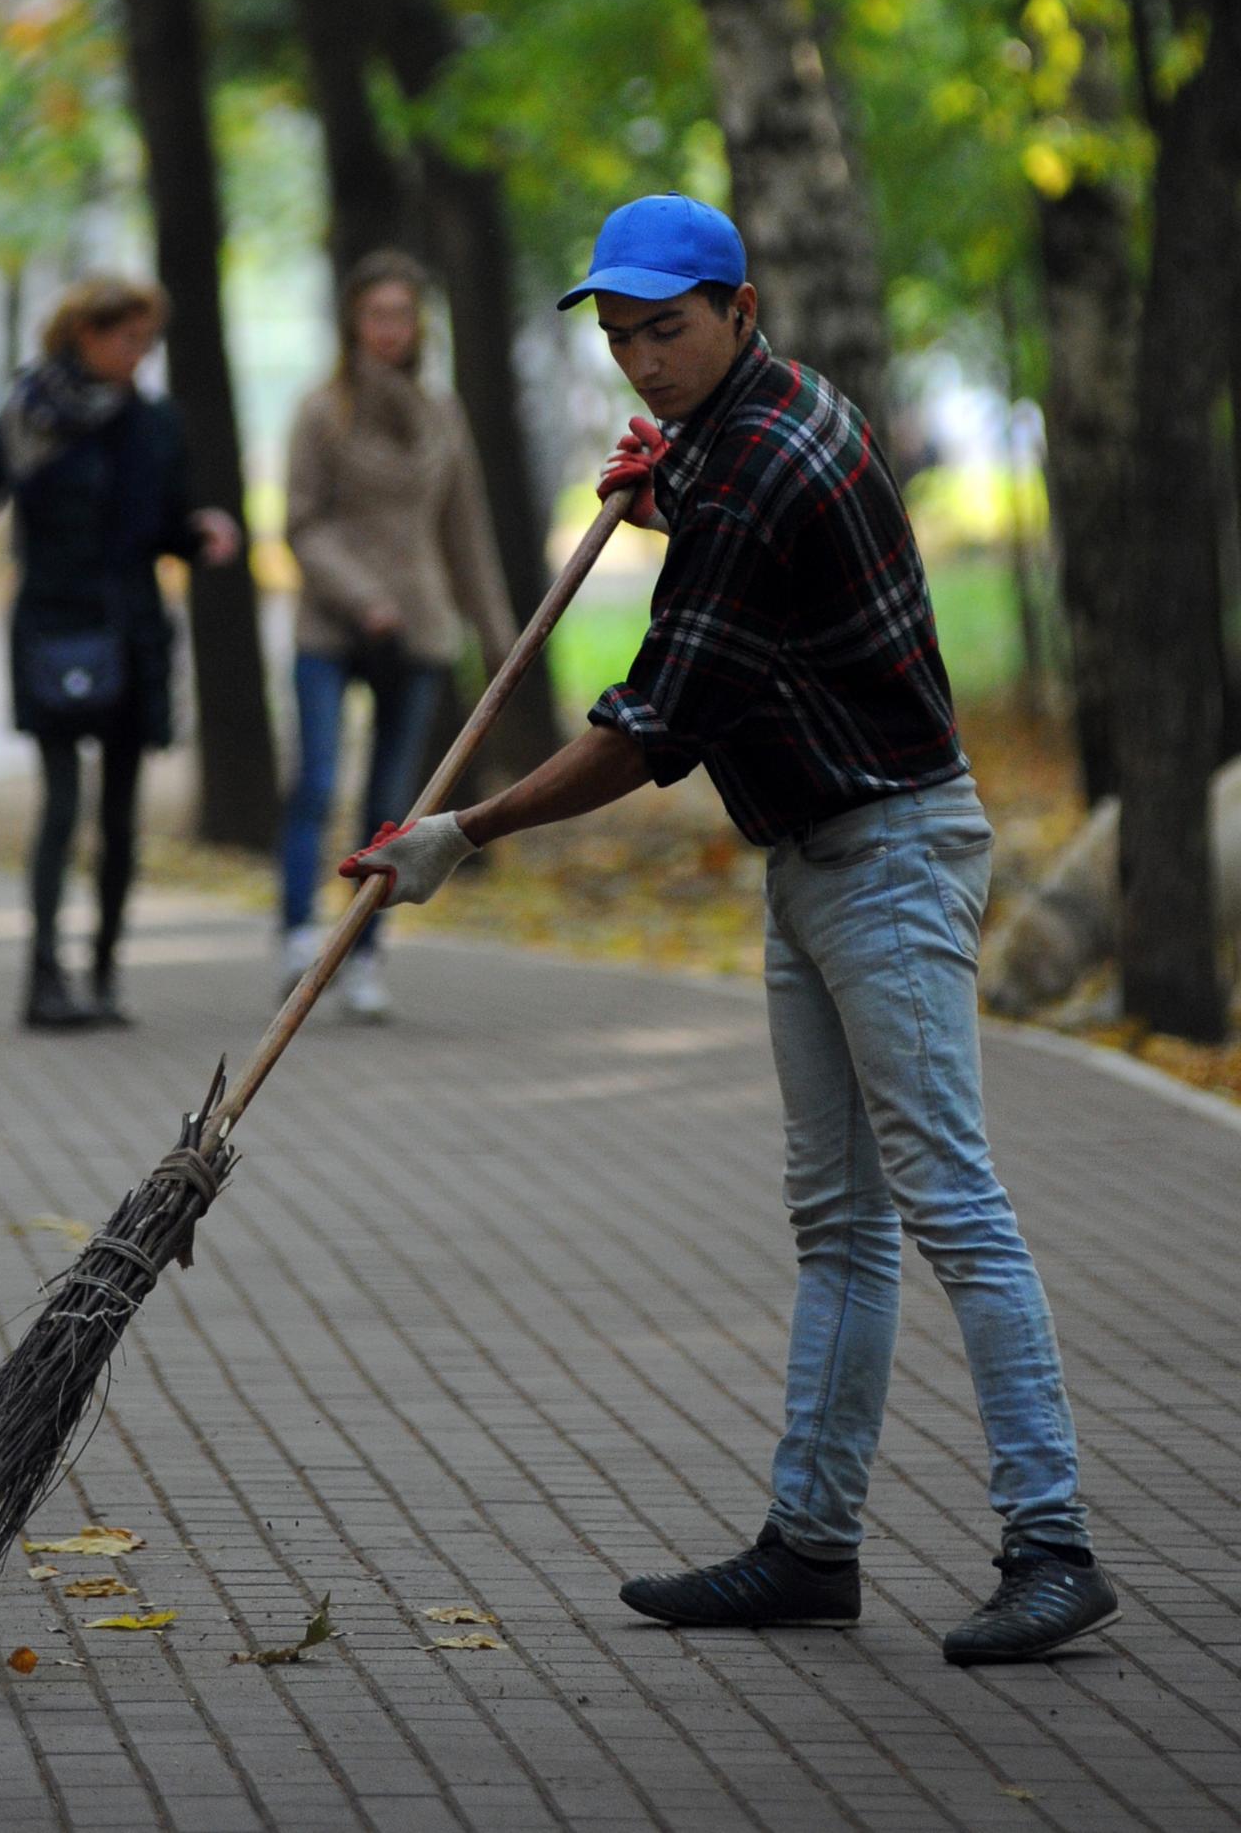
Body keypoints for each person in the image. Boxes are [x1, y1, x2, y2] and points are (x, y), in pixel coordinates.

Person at [341, 194, 1119, 1669]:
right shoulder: (749, 426)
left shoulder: (759, 460)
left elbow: (651, 729)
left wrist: (465, 833)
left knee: (949, 1203)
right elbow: (719, 539)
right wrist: (667, 485)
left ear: (739, 309)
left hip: (888, 850)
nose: (643, 360)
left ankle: (1055, 1544)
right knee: (838, 1222)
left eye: (668, 329)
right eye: (623, 337)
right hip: (819, 848)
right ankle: (811, 1546)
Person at [0, 274, 240, 1031]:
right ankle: (44, 976)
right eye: (125, 338)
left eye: (147, 340)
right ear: (84, 334)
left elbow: (165, 523)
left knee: (121, 813)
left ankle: (104, 973)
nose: (138, 354)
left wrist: (200, 533)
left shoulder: (156, 421)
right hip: (54, 625)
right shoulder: (29, 412)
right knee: (61, 804)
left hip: (132, 630)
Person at [279, 250, 515, 1021]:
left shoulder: (441, 413)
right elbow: (302, 522)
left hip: (416, 629)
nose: (390, 329)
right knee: (315, 781)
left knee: (391, 804)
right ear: (353, 321)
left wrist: (500, 636)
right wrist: (361, 594)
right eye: (376, 314)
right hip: (331, 623)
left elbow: (467, 529)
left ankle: (363, 955)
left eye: (403, 315)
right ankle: (295, 932)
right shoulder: (322, 411)